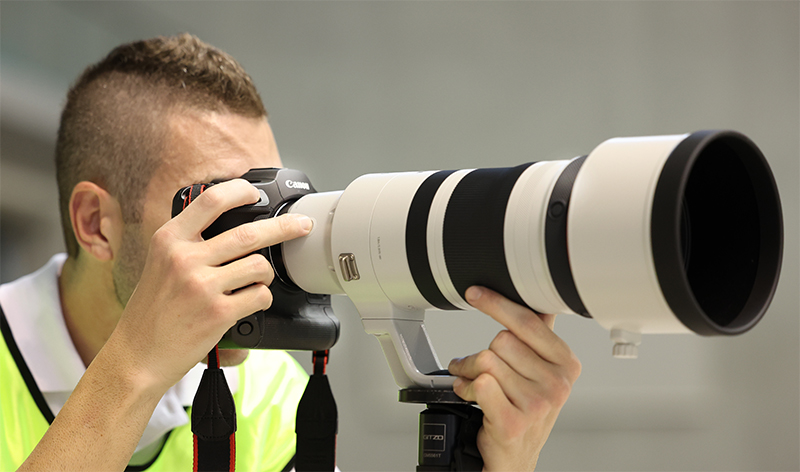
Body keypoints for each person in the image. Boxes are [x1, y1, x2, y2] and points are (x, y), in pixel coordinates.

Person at [0, 34, 581, 471]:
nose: (264, 241)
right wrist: (135, 369)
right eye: (223, 209)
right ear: (95, 224)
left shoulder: (269, 394)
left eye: (264, 207)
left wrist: (497, 462)